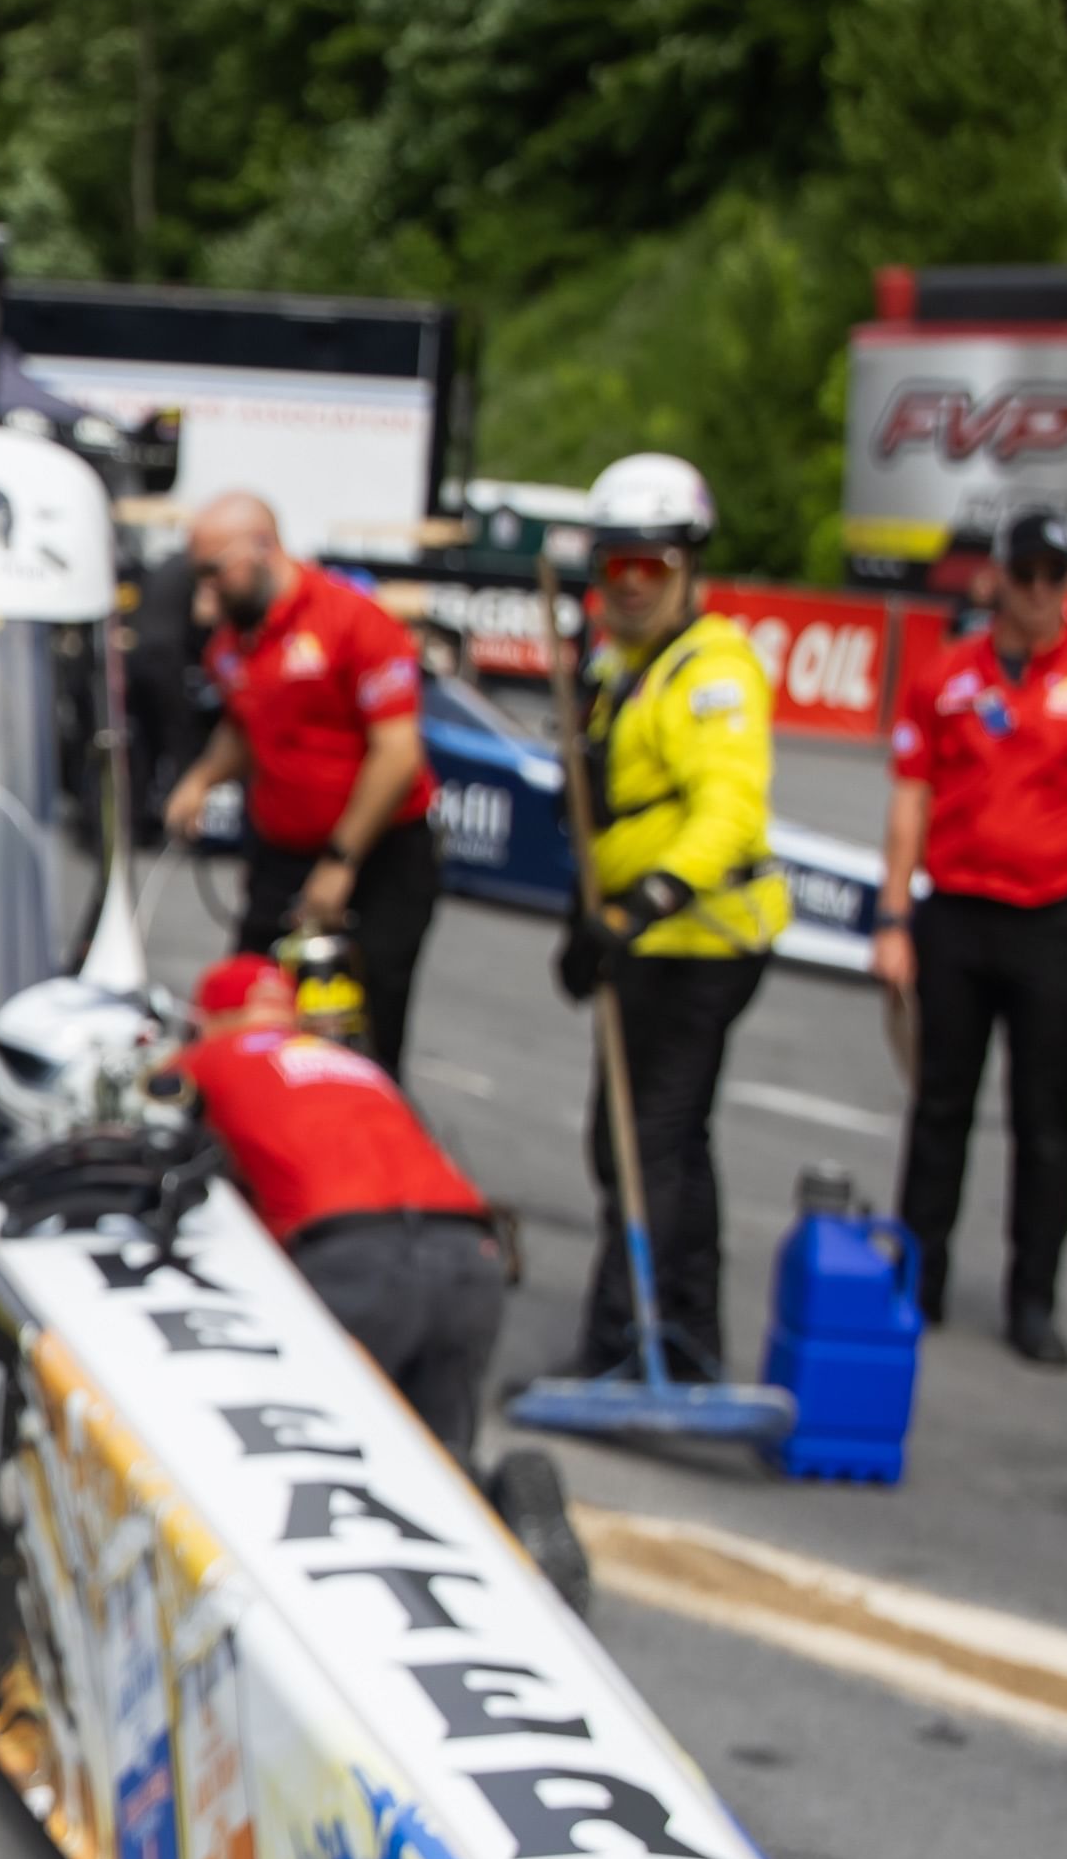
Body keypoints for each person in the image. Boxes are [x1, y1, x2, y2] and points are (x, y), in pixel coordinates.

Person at [875, 507, 1067, 1368]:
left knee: (1044, 1119)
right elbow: (910, 793)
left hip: (1052, 919)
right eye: (1022, 574)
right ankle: (917, 1278)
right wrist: (892, 916)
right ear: (994, 577)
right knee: (938, 1107)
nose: (1036, 592)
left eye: (1052, 575)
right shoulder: (945, 675)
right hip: (955, 909)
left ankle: (1032, 1297)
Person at [545, 452, 786, 1386]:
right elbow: (599, 815)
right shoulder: (616, 670)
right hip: (640, 941)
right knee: (660, 1142)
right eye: (617, 568)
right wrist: (585, 923)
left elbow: (728, 813)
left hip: (700, 942)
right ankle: (687, 1335)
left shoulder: (711, 671)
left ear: (687, 568)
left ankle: (621, 1348)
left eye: (652, 567)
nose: (634, 585)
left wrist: (647, 900)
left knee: (643, 1146)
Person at [180, 953, 507, 1458]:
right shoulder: (357, 1068)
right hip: (470, 1252)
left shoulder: (216, 1055)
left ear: (211, 1018)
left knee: (307, 1451)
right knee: (440, 1464)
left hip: (354, 1253)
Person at [157, 491, 438, 1069]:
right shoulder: (233, 643)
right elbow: (245, 722)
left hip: (378, 854)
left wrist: (341, 861)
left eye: (216, 573)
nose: (206, 594)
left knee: (365, 1017)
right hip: (281, 852)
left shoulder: (352, 621)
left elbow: (396, 753)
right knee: (248, 993)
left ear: (263, 549)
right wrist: (202, 779)